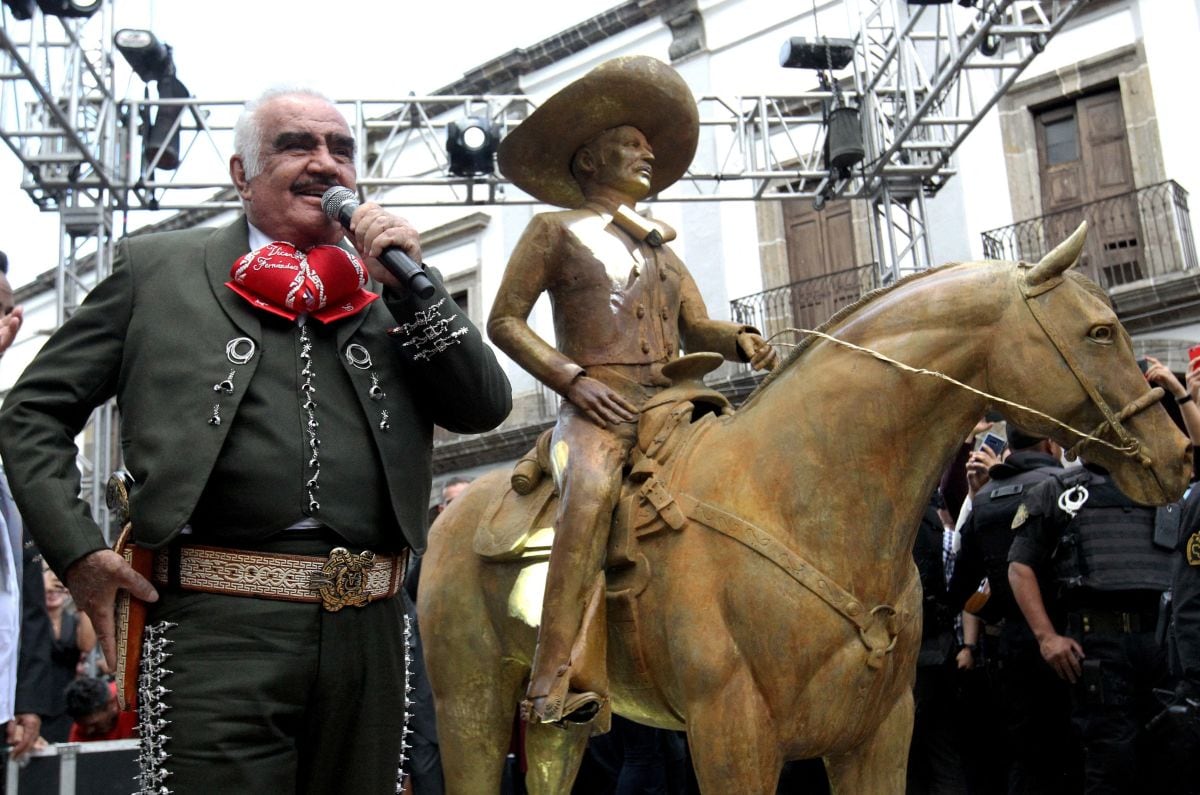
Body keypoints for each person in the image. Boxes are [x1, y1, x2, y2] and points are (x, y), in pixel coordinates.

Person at [0, 87, 511, 793]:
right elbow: (31, 410)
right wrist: (79, 550)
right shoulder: (156, 271)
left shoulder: (386, 285)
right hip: (216, 627)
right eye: (298, 144)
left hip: (370, 628)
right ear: (241, 173)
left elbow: (485, 405)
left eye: (341, 149)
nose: (325, 164)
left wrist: (416, 291)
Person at [487, 56, 778, 725]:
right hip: (599, 405)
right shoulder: (553, 231)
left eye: (648, 144)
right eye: (630, 141)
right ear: (589, 159)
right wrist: (574, 380)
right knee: (588, 495)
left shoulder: (663, 251)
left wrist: (737, 337)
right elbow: (503, 319)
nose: (648, 151)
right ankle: (553, 677)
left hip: (673, 399)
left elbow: (695, 324)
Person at [1008, 458, 1176, 793]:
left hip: (1161, 643)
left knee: (1171, 757)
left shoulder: (1163, 487)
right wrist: (1047, 637)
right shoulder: (1057, 491)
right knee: (1112, 760)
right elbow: (1019, 567)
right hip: (1099, 645)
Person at [949, 426, 1078, 794]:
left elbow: (960, 585)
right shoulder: (1066, 486)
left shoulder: (985, 498)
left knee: (1024, 756)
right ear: (1050, 444)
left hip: (1011, 646)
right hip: (1069, 641)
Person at [38, 564, 95, 742]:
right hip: (34, 699)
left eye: (58, 588)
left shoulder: (73, 621)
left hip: (64, 705)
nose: (53, 591)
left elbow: (87, 645)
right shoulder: (31, 621)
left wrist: (81, 597)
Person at [64, 677, 136, 742]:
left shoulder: (135, 697)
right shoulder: (80, 730)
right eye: (83, 726)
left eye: (94, 724)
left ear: (111, 704)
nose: (88, 731)